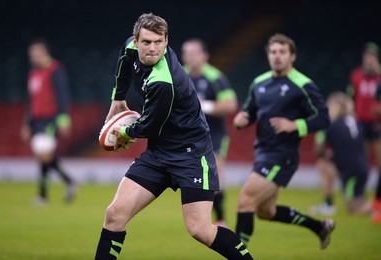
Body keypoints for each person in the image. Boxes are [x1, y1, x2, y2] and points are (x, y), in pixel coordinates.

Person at [94, 13, 253, 259]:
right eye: (146, 42)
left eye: (159, 41)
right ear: (135, 41)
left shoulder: (163, 81)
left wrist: (124, 132)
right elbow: (124, 64)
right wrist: (118, 98)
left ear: (167, 41)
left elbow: (149, 127)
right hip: (159, 154)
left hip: (191, 155)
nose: (153, 48)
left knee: (200, 229)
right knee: (115, 214)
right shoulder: (129, 47)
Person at [233, 33, 335, 250]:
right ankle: (320, 226)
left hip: (283, 155)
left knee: (245, 201)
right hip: (263, 151)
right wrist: (242, 119)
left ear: (292, 56)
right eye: (273, 52)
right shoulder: (259, 83)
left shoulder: (303, 84)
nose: (277, 56)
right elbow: (249, 112)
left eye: (282, 52)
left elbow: (324, 117)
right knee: (265, 212)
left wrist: (295, 125)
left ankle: (237, 255)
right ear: (268, 55)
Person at [181, 38, 238, 227]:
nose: (189, 57)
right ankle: (200, 219)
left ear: (205, 55)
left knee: (215, 173)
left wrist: (204, 106)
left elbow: (231, 105)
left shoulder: (215, 77)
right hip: (189, 135)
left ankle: (220, 218)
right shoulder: (180, 76)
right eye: (186, 53)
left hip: (214, 134)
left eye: (193, 53)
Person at [20, 38, 76, 205]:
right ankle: (67, 182)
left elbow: (62, 94)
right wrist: (26, 123)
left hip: (50, 118)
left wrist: (63, 117)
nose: (34, 57)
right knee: (42, 156)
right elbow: (31, 101)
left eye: (36, 53)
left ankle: (44, 195)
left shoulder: (54, 69)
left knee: (43, 154)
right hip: (36, 120)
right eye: (32, 54)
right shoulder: (33, 74)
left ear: (44, 53)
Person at [317, 92, 372, 214]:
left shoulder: (331, 125)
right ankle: (370, 204)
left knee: (354, 209)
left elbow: (319, 150)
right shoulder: (356, 123)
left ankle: (328, 204)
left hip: (349, 171)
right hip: (362, 167)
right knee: (357, 201)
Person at [347, 42, 381, 223]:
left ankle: (376, 201)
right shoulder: (356, 75)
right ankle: (360, 199)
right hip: (361, 124)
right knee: (362, 165)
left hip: (377, 125)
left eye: (373, 56)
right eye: (367, 56)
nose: (370, 59)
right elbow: (351, 96)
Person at [309, 130, 338, 216]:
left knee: (326, 181)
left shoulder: (323, 129)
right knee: (330, 182)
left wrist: (322, 155)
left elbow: (319, 146)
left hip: (327, 159)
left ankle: (328, 205)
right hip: (339, 157)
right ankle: (328, 204)